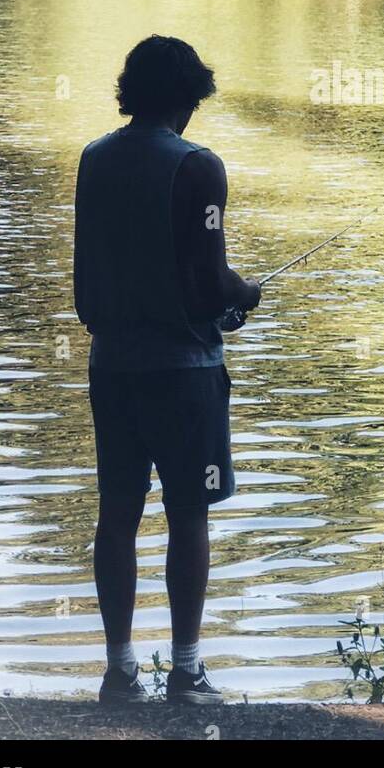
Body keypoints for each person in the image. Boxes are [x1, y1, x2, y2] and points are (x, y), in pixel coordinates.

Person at [73, 35, 260, 705]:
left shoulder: (94, 159)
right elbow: (210, 285)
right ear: (187, 97)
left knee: (117, 513)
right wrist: (247, 295)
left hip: (112, 366)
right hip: (183, 372)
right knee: (188, 515)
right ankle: (186, 671)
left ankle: (119, 671)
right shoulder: (198, 167)